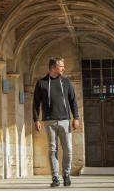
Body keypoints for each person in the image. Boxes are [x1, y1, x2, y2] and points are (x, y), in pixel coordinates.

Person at [33, 57, 80, 187]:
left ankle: (66, 175)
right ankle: (55, 178)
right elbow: (35, 103)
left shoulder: (66, 82)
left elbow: (73, 101)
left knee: (68, 149)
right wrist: (36, 119)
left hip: (65, 120)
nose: (63, 68)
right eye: (61, 66)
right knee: (52, 149)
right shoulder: (41, 83)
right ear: (53, 68)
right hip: (49, 122)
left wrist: (76, 117)